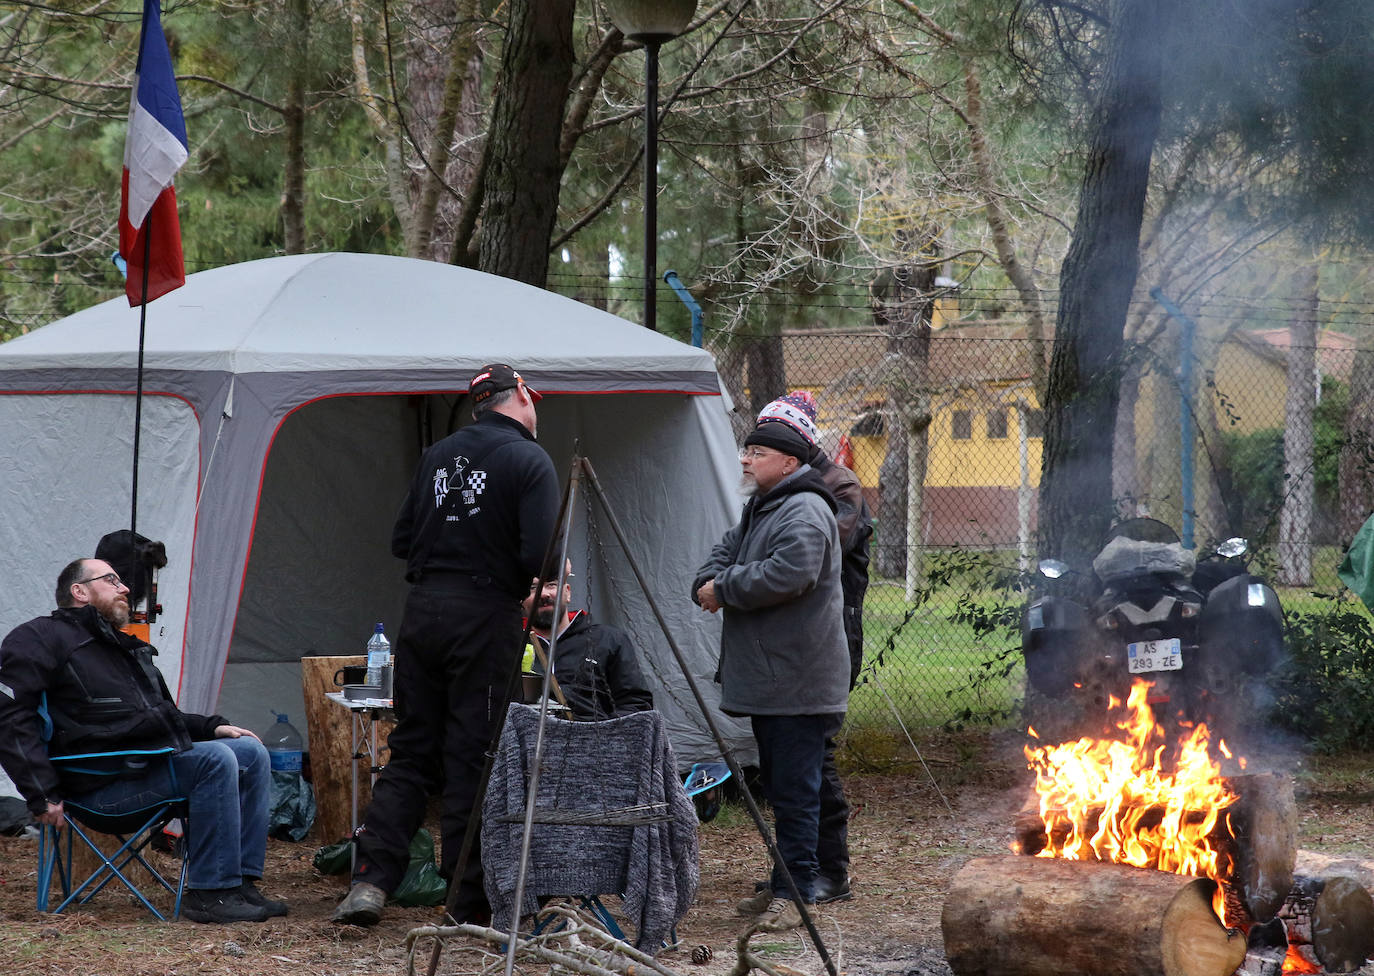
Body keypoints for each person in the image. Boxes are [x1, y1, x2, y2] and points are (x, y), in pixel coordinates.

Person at [333, 363, 559, 927]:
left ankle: (370, 881)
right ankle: (468, 902)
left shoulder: (437, 455)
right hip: (483, 617)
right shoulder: (530, 459)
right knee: (472, 757)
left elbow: (402, 539)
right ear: (525, 397)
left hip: (424, 613)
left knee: (412, 751)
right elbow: (543, 559)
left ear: (478, 406)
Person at [0, 558, 287, 924]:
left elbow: (159, 716)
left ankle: (238, 884)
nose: (125, 589)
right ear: (79, 591)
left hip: (141, 770)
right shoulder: (39, 637)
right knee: (213, 760)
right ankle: (211, 894)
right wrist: (40, 790)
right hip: (97, 785)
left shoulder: (123, 647)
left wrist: (212, 726)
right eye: (112, 580)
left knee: (249, 751)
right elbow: (10, 715)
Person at [691, 419, 850, 931]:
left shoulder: (803, 509)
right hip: (777, 678)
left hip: (798, 678)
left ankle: (796, 893)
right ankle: (791, 879)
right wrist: (708, 581)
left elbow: (791, 572)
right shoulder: (764, 506)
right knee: (790, 786)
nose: (744, 459)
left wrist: (724, 588)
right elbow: (724, 551)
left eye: (756, 452)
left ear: (788, 462)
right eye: (746, 450)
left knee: (795, 790)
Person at [754, 391, 873, 903]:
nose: (752, 457)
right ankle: (795, 869)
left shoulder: (836, 488)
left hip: (830, 633)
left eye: (765, 444)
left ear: (791, 446)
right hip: (791, 639)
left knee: (813, 759)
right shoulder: (780, 490)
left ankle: (831, 871)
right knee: (788, 765)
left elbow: (813, 556)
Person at [522, 560, 654, 721]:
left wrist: (604, 732)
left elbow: (636, 705)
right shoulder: (508, 645)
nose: (544, 594)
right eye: (533, 588)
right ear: (520, 598)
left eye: (552, 584)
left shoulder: (608, 639)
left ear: (568, 592)